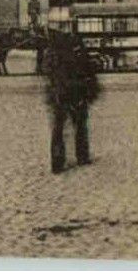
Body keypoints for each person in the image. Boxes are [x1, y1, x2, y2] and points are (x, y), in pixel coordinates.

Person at [43, 31, 100, 174]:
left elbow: (47, 71)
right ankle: (82, 156)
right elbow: (89, 73)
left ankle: (57, 162)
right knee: (80, 125)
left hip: (59, 96)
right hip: (76, 95)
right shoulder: (79, 55)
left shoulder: (52, 55)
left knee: (58, 129)